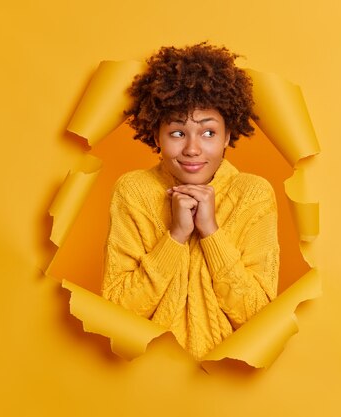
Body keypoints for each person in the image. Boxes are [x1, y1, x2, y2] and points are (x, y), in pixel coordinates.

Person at [101, 43, 279, 359]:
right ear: (156, 135)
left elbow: (262, 322)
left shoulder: (252, 194)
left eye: (208, 133)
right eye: (178, 133)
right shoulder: (133, 191)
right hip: (145, 380)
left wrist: (211, 232)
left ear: (227, 136)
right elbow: (116, 313)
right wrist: (175, 236)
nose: (193, 149)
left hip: (228, 384)